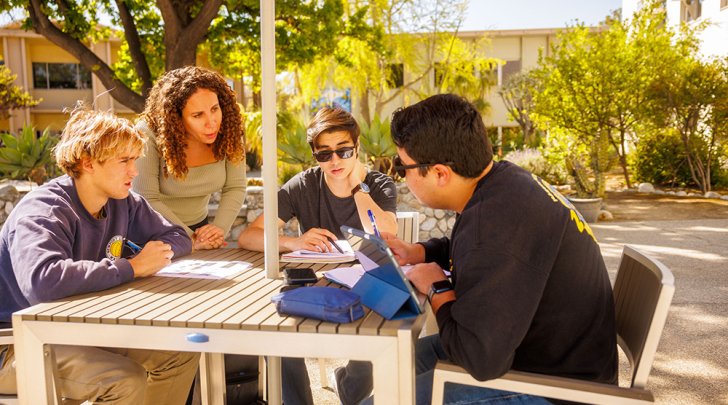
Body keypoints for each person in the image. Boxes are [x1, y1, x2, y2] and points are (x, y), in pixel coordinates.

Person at [356, 94, 618, 404]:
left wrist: (437, 287)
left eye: (402, 166)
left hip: (559, 387)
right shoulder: (504, 184)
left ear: (440, 173)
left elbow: (479, 358)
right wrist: (420, 252)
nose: (399, 174)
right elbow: (478, 249)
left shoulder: (494, 224)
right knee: (396, 358)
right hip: (531, 349)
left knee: (380, 401)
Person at [0, 106, 199, 404]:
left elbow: (177, 236)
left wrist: (148, 256)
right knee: (123, 380)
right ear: (88, 162)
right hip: (17, 344)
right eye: (124, 161)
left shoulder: (124, 201)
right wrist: (130, 267)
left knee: (179, 351)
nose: (134, 171)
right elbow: (43, 282)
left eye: (135, 160)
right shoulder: (43, 211)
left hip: (80, 330)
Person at [237, 106, 398, 405]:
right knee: (277, 331)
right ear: (315, 154)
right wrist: (292, 241)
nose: (334, 160)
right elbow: (248, 236)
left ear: (357, 148)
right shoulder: (304, 185)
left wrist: (358, 189)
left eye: (343, 151)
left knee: (382, 331)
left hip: (368, 285)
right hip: (316, 285)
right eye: (324, 154)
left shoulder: (378, 184)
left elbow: (385, 233)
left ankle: (350, 387)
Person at [133, 66, 246, 250]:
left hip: (200, 231)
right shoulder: (148, 134)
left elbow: (235, 186)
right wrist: (190, 239)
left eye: (214, 109)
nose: (211, 122)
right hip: (151, 234)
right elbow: (147, 197)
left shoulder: (228, 130)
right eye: (197, 115)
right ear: (176, 119)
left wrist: (218, 230)